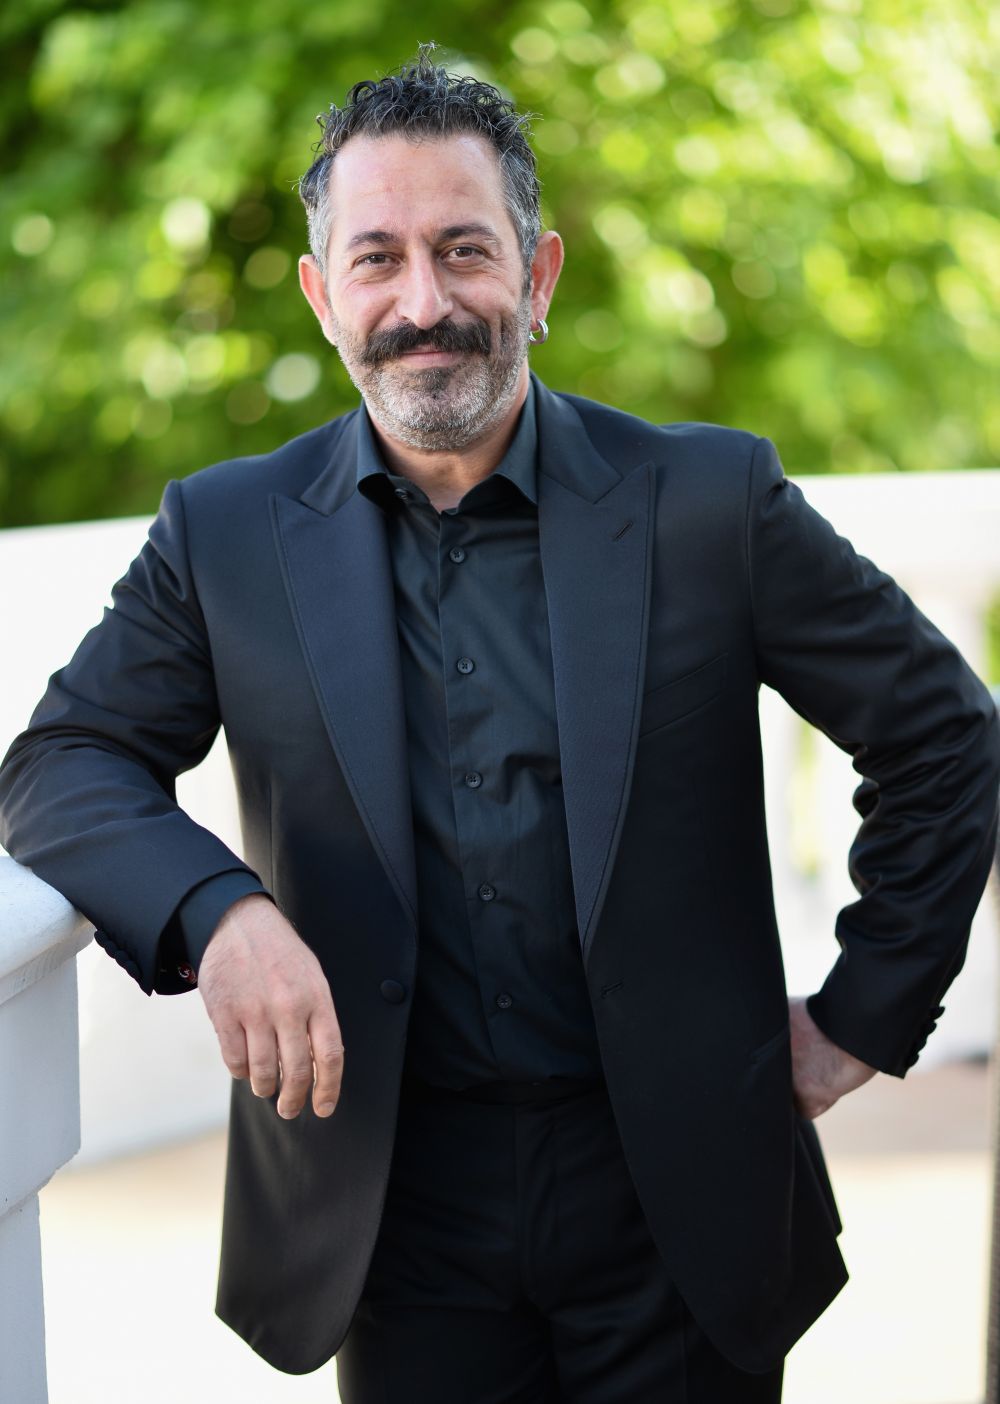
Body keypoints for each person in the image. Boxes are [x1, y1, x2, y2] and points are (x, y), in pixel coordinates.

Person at [1, 47, 998, 1404]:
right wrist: (218, 914)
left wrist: (863, 1014)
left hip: (675, 1199)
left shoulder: (713, 503)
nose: (424, 303)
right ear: (322, 296)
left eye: (465, 250)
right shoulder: (222, 535)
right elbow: (63, 762)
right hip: (394, 1211)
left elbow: (945, 736)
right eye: (377, 259)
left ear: (538, 276)